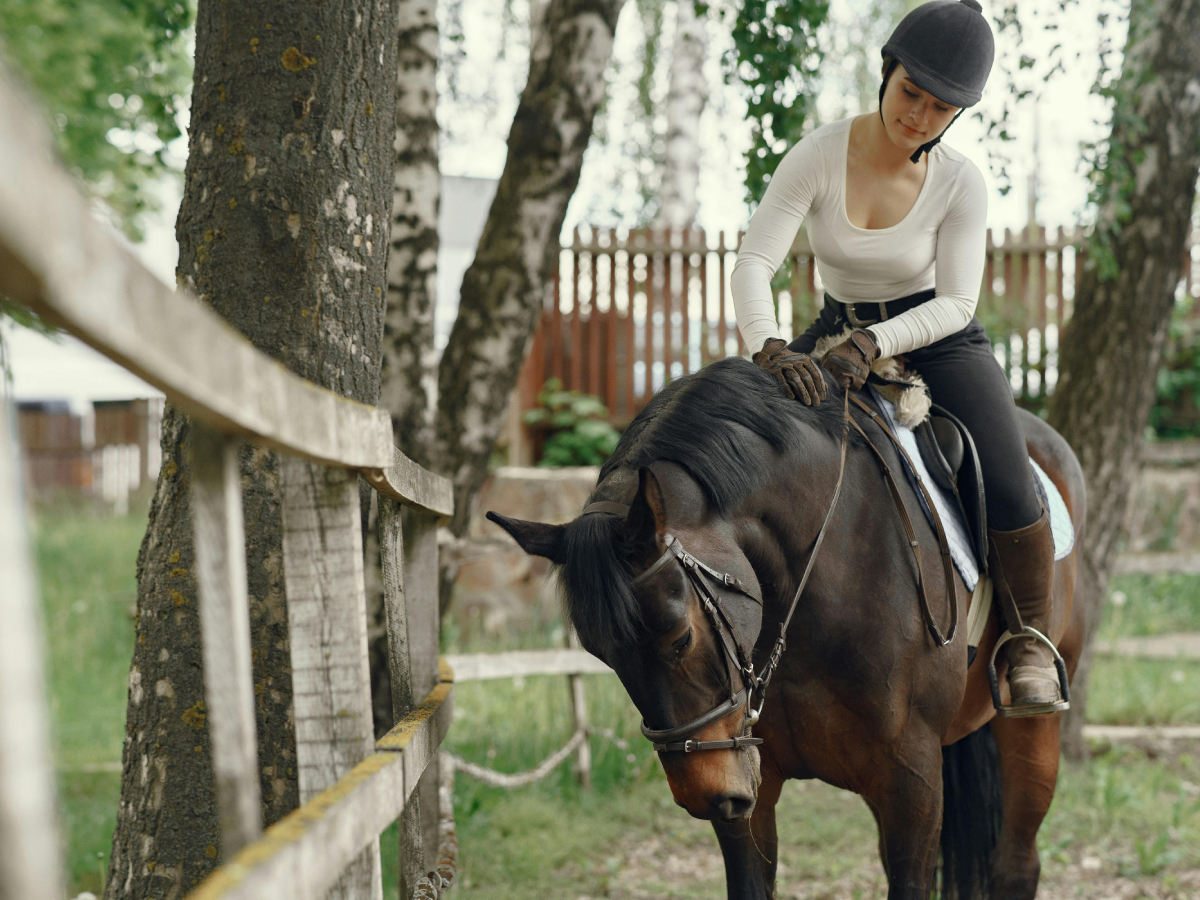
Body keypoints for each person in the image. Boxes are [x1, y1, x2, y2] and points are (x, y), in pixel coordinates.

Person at [731, 0, 1066, 716]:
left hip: (935, 337)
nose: (919, 115)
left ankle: (1029, 643)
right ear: (886, 71)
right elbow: (755, 261)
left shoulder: (961, 181)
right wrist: (769, 346)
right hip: (835, 327)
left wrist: (874, 344)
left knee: (1009, 475)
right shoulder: (818, 154)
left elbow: (958, 302)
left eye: (941, 108)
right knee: (737, 434)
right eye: (911, 92)